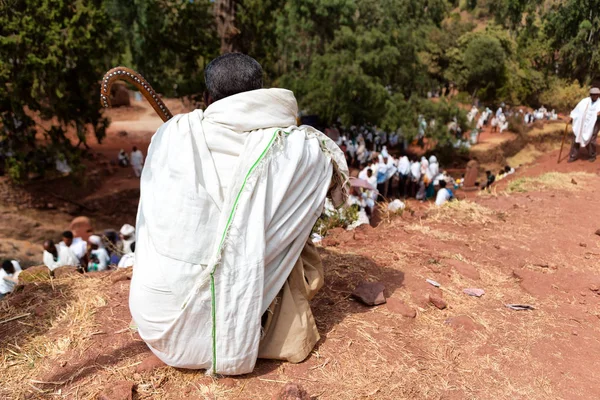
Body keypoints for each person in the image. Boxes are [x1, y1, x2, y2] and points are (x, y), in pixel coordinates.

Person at [129, 53, 348, 375]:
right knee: (286, 235)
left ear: (207, 98)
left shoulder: (171, 135)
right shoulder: (301, 150)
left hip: (157, 323)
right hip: (230, 324)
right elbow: (331, 185)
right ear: (259, 91)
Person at [568, 87, 600, 163]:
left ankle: (592, 155)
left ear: (598, 95)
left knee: (591, 139)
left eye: (596, 95)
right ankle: (573, 155)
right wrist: (571, 117)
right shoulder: (584, 101)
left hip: (595, 124)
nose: (594, 96)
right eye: (593, 95)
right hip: (582, 123)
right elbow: (576, 110)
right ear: (590, 95)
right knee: (576, 137)